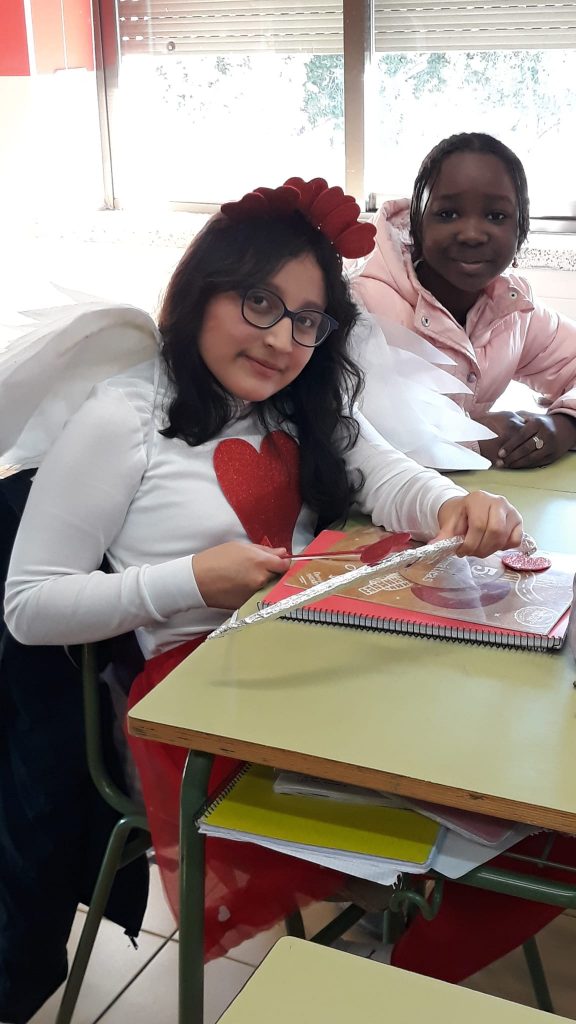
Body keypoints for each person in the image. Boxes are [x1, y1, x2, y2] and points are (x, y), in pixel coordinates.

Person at [4, 177, 523, 964]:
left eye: (306, 320)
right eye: (258, 303)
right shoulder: (125, 416)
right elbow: (29, 605)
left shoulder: (301, 398)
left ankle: (402, 954)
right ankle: (401, 954)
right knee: (483, 826)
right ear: (201, 293)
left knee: (501, 773)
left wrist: (456, 504)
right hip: (203, 706)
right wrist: (190, 581)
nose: (282, 341)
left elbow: (388, 475)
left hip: (309, 662)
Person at [353, 132, 576, 469]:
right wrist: (472, 439)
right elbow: (344, 421)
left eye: (496, 216)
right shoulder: (363, 305)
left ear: (521, 230)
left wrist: (564, 425)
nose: (472, 234)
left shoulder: (514, 311)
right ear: (417, 223)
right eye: (448, 214)